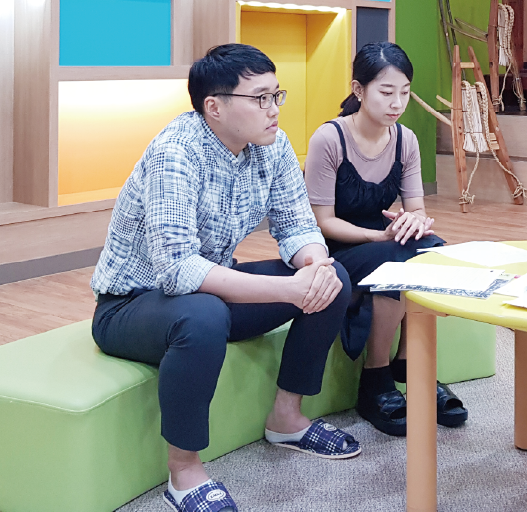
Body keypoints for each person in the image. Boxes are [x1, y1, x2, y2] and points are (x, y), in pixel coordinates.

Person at [90, 43, 359, 512]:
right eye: (260, 99)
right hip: (131, 306)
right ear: (214, 107)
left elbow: (297, 225)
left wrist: (314, 269)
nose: (274, 109)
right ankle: (184, 472)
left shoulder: (271, 146)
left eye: (277, 96)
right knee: (203, 315)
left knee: (333, 277)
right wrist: (289, 289)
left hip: (209, 292)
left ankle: (287, 418)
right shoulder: (176, 152)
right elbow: (177, 268)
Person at [303, 42, 468, 437]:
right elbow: (323, 222)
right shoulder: (329, 138)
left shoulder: (405, 140)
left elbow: (416, 207)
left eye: (405, 92)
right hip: (338, 248)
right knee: (395, 259)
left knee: (431, 249)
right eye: (386, 92)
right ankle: (375, 376)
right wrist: (381, 235)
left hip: (385, 239)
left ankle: (411, 362)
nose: (397, 103)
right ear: (359, 90)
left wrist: (415, 222)